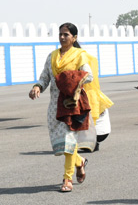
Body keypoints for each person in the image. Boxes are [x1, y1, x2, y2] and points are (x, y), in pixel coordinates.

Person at [29, 23, 95, 192]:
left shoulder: (80, 55)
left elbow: (89, 76)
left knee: (68, 140)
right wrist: (37, 86)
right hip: (54, 105)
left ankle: (67, 179)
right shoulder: (52, 56)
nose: (62, 37)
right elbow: (45, 77)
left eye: (66, 34)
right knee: (61, 142)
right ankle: (80, 161)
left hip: (71, 104)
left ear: (74, 37)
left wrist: (70, 79)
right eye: (60, 34)